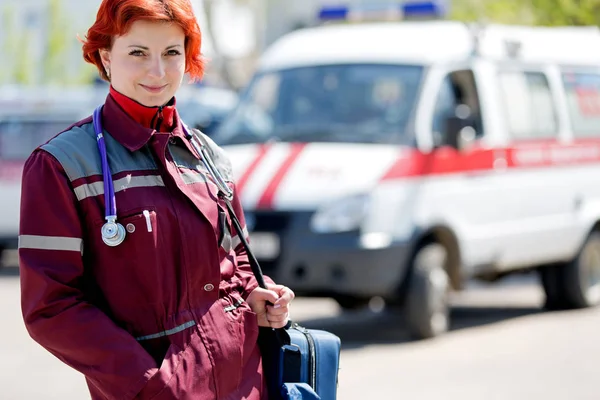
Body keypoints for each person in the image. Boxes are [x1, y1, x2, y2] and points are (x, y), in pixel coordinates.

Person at [18, 0, 294, 399]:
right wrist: (151, 385)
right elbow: (51, 307)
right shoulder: (61, 165)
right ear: (104, 55)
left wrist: (260, 296)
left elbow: (235, 267)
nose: (158, 71)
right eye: (138, 53)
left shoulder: (209, 156)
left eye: (171, 53)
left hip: (248, 385)